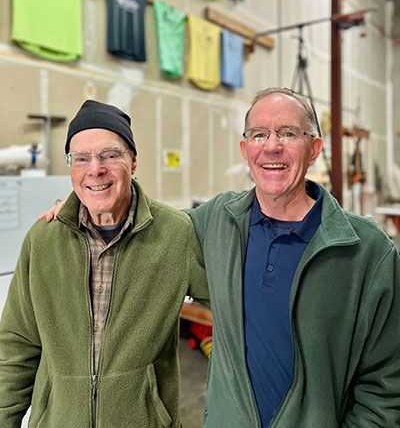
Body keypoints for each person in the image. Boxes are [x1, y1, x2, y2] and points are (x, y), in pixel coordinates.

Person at [36, 88, 400, 427]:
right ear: (245, 150)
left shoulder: (366, 251)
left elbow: (386, 382)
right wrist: (80, 204)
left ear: (315, 149)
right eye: (259, 134)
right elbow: (146, 224)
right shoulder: (217, 222)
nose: (271, 147)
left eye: (288, 133)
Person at [0, 100, 209, 427]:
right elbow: (16, 348)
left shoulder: (175, 234)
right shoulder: (43, 241)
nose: (95, 169)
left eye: (110, 155)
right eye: (81, 158)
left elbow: (235, 311)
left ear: (133, 161)